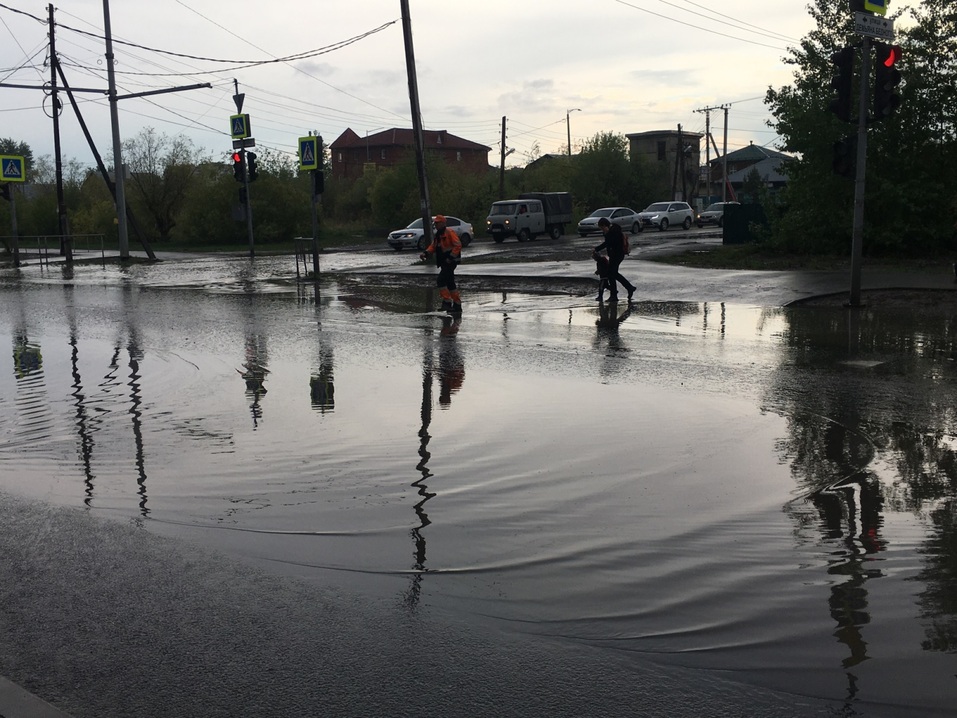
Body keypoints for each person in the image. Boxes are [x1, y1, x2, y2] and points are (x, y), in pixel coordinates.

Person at [420, 214, 463, 313]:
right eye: (435, 223)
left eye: (437, 223)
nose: (436, 225)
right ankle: (457, 305)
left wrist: (450, 257)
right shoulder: (439, 234)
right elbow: (433, 246)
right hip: (445, 262)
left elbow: (458, 245)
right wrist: (426, 253)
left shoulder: (449, 232)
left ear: (443, 223)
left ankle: (447, 302)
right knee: (450, 283)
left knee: (441, 280)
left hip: (451, 262)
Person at [593, 217, 636, 302]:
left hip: (617, 255)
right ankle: (628, 288)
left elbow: (608, 243)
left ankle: (615, 295)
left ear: (605, 225)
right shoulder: (612, 231)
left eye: (602, 228)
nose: (602, 230)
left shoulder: (613, 231)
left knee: (611, 274)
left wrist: (597, 248)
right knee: (613, 274)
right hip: (615, 255)